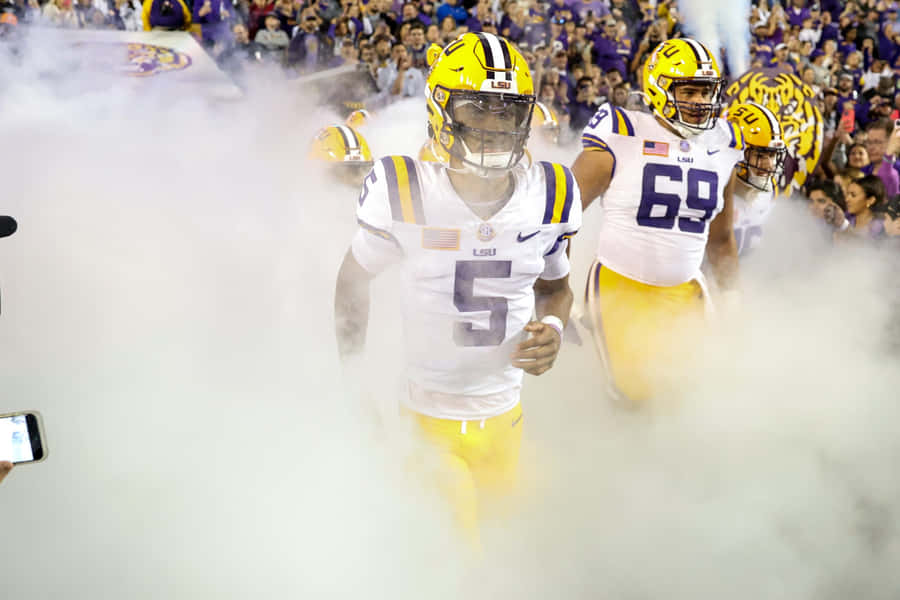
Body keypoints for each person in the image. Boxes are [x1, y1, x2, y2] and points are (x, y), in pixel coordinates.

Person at [334, 32, 581, 551]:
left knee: (494, 548)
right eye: (477, 110)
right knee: (451, 557)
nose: (493, 129)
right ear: (441, 109)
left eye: (505, 114)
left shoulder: (551, 194)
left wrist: (554, 327)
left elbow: (556, 290)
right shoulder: (406, 188)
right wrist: (354, 378)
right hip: (426, 415)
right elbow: (354, 280)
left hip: (505, 413)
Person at [571, 38, 743, 406]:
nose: (701, 102)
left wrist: (731, 297)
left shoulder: (722, 144)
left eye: (707, 92)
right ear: (660, 88)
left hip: (686, 292)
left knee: (688, 398)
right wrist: (557, 288)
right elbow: (561, 215)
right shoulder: (622, 131)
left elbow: (721, 237)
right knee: (630, 398)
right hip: (620, 285)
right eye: (690, 91)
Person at [726, 102, 787, 256]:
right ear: (736, 152)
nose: (770, 165)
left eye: (772, 155)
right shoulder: (713, 190)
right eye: (760, 155)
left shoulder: (770, 190)